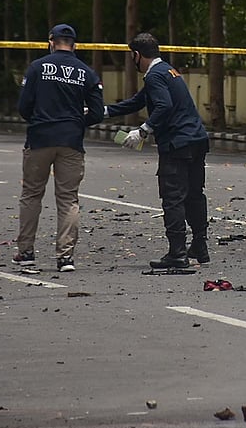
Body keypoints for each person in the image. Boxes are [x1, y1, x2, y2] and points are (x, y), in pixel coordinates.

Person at [105, 32, 210, 269]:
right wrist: (102, 111)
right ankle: (199, 246)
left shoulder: (154, 77)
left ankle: (177, 253)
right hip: (197, 139)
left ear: (136, 55)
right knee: (194, 194)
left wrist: (143, 131)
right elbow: (138, 101)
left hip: (176, 144)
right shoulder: (167, 72)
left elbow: (164, 106)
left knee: (173, 198)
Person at [14, 24, 105, 272]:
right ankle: (65, 257)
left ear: (51, 41)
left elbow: (23, 106)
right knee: (68, 199)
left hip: (40, 139)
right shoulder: (86, 73)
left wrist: (39, 119)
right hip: (71, 142)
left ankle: (26, 253)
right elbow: (97, 112)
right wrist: (76, 121)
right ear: (74, 44)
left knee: (32, 194)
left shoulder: (37, 68)